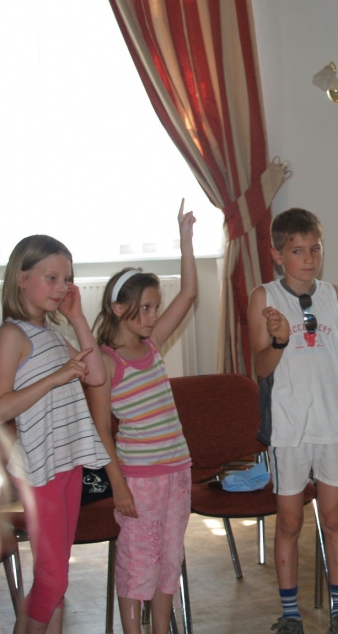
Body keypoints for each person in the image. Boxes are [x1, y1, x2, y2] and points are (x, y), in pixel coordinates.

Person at [248, 208, 338, 634]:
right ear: (278, 255)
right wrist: (280, 340)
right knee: (290, 522)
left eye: (315, 249)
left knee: (334, 520)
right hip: (288, 429)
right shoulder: (264, 297)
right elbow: (261, 368)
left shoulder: (333, 294)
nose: (309, 258)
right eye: (297, 251)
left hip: (331, 427)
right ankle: (290, 614)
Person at [86, 201, 197, 634]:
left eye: (155, 308)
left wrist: (186, 241)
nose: (153, 316)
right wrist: (118, 485)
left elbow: (188, 295)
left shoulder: (152, 344)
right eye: (145, 308)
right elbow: (101, 429)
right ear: (119, 308)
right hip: (140, 479)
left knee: (169, 560)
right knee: (138, 562)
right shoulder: (106, 361)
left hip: (177, 471)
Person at [0, 235, 110, 634]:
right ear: (20, 278)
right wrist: (54, 378)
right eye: (52, 278)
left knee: (55, 575)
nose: (62, 287)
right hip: (39, 469)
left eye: (67, 279)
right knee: (53, 578)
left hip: (68, 462)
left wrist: (78, 319)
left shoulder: (50, 332)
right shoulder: (13, 335)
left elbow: (97, 376)